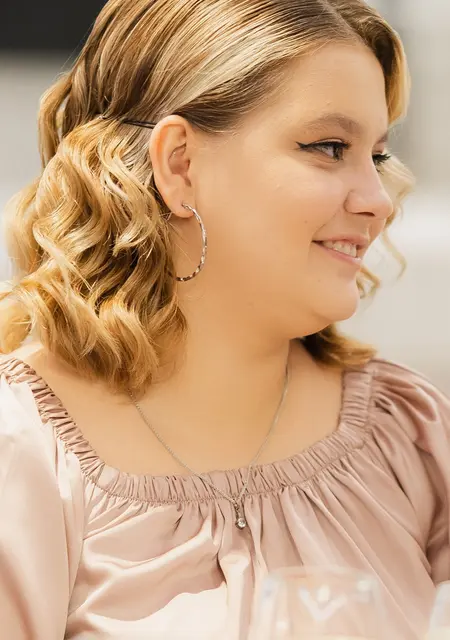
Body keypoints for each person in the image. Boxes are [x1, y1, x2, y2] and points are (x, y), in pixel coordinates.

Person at [0, 0, 449, 638]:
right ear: (180, 165)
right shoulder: (22, 452)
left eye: (375, 157)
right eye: (329, 147)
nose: (380, 201)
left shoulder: (412, 437)